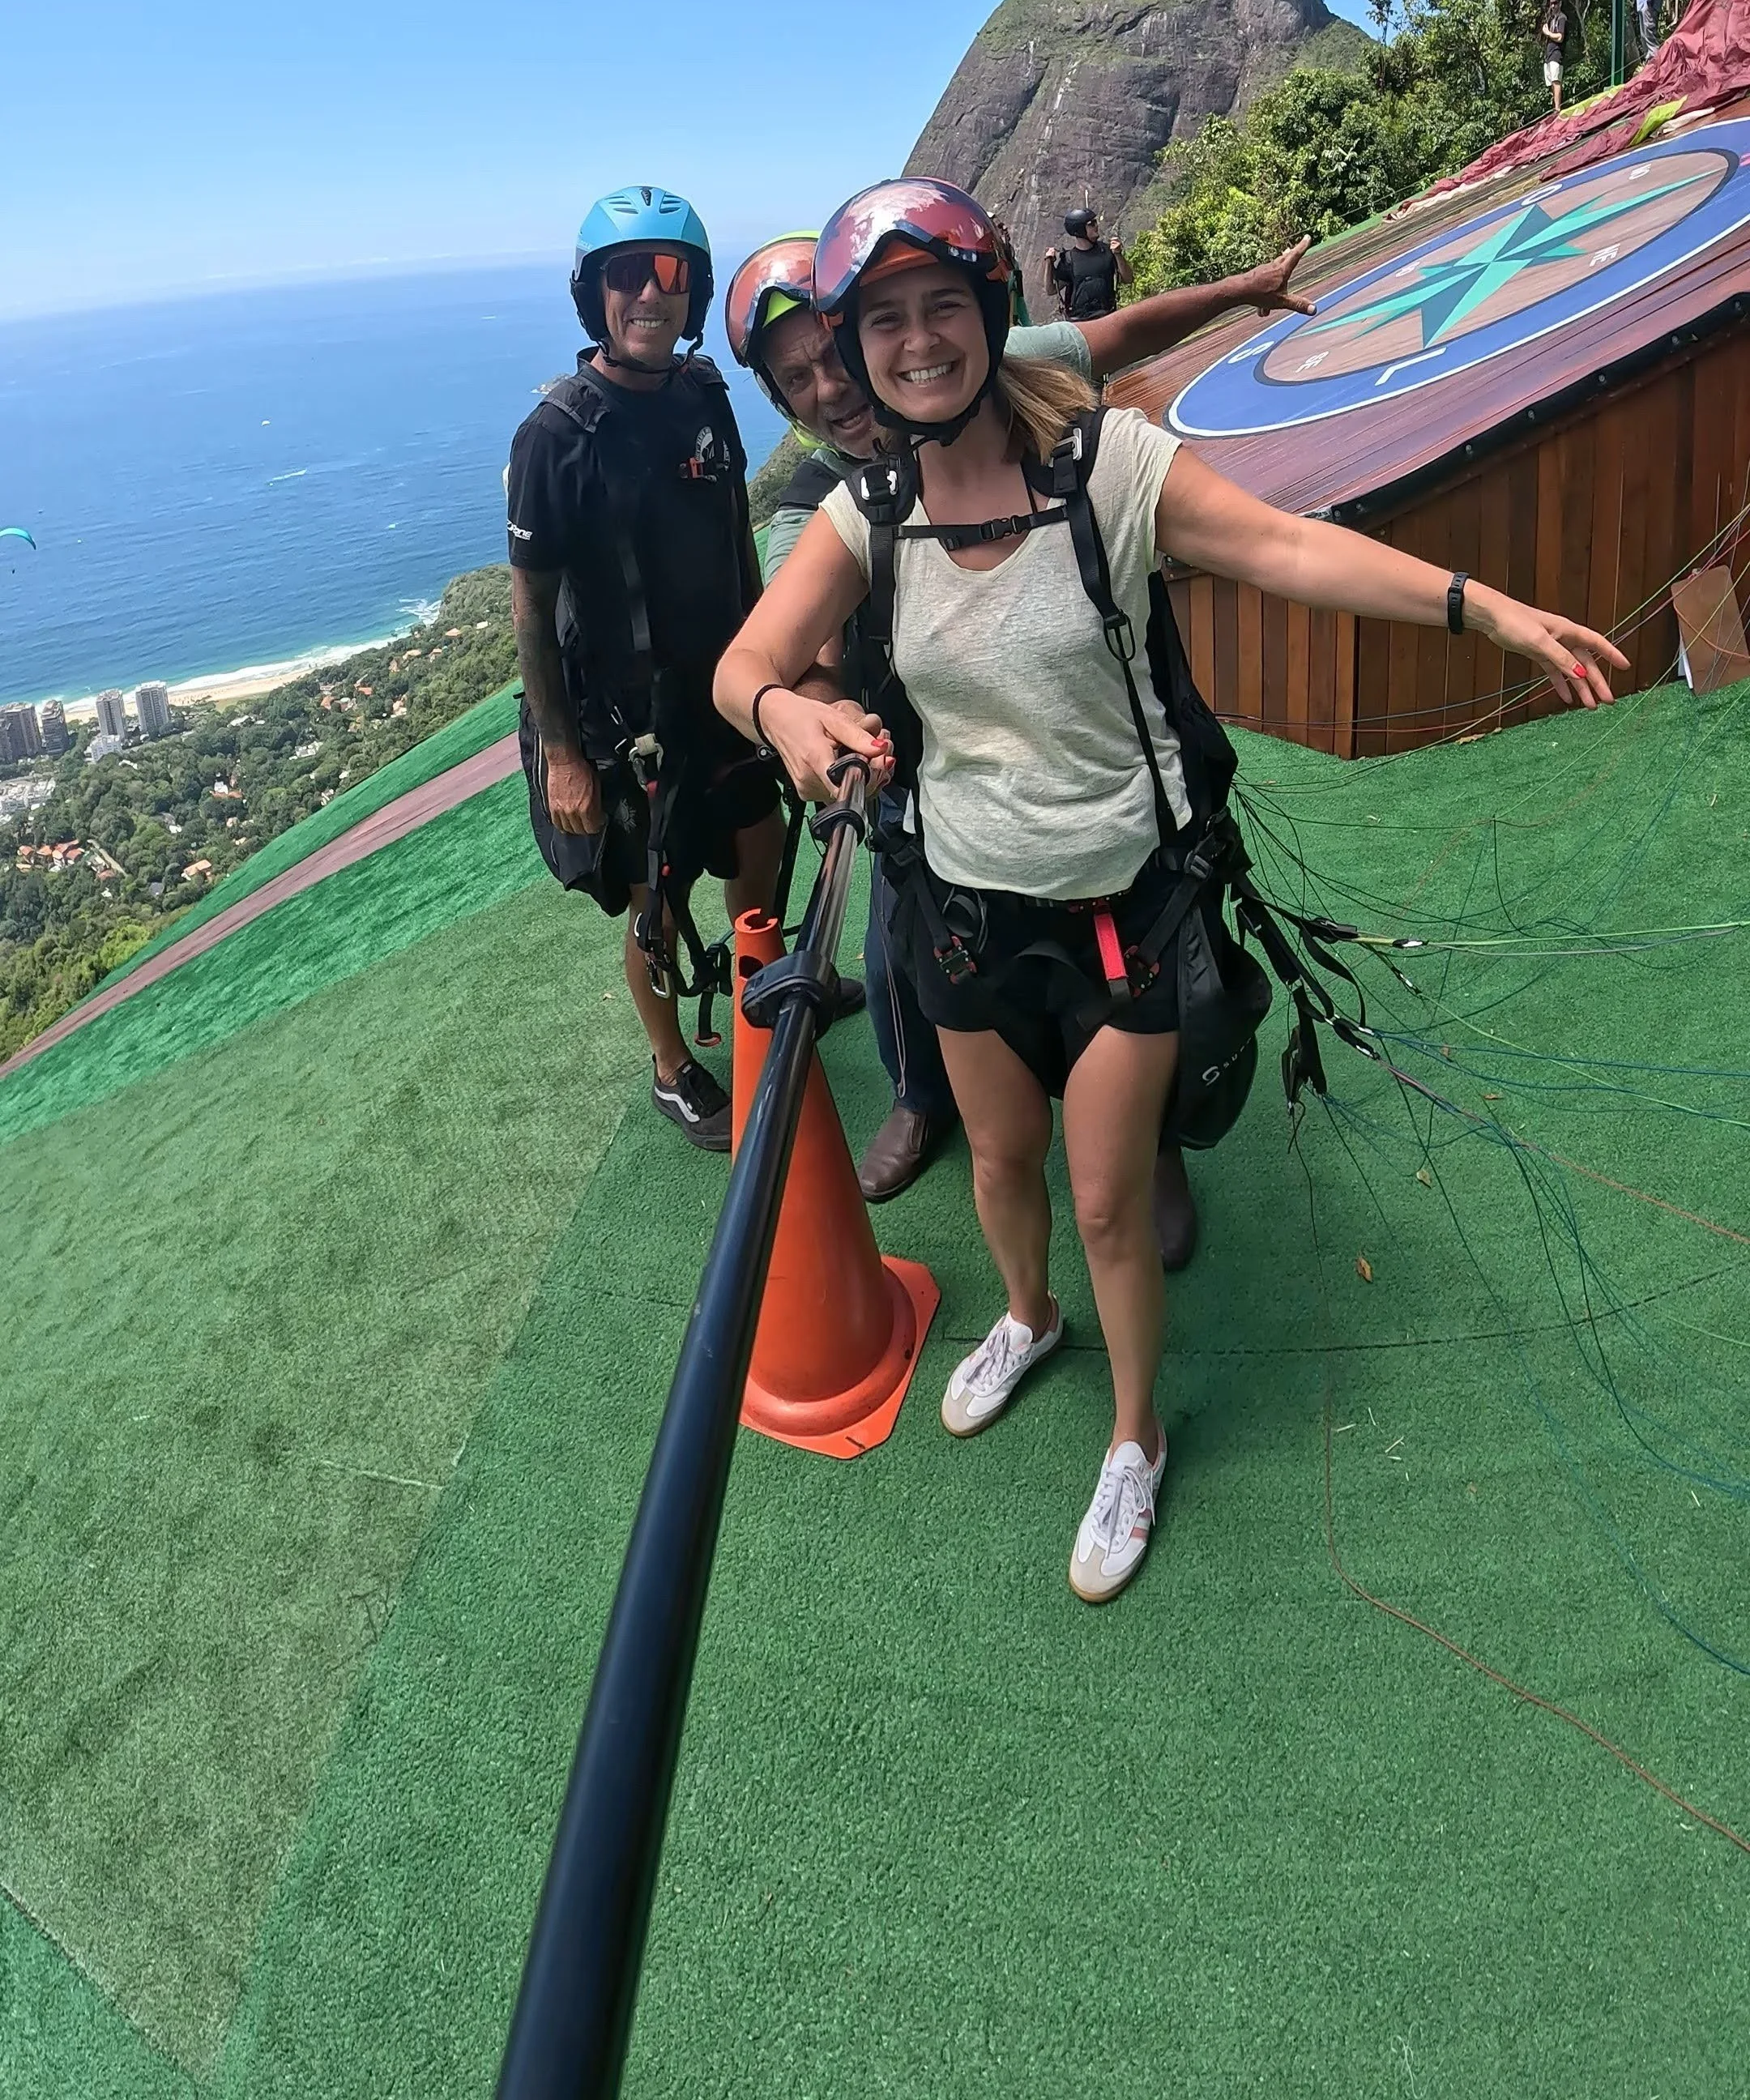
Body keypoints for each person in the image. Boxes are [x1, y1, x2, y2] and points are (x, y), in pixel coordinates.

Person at [715, 179, 1626, 1603]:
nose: (913, 345)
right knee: (1001, 1165)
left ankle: (1136, 1436)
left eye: (939, 308)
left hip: (1118, 903)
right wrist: (788, 719)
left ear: (990, 311)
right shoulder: (862, 513)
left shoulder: (1109, 471)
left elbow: (1285, 546)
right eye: (880, 322)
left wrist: (1481, 605)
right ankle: (1024, 1322)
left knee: (1105, 1199)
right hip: (959, 900)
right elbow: (741, 667)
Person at [726, 224, 1317, 1236]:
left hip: (1089, 722)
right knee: (905, 949)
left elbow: (1116, 335)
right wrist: (811, 711)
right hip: (935, 767)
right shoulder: (816, 509)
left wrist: (1240, 293)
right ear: (787, 407)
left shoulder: (990, 373)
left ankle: (1151, 1142)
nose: (834, 384)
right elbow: (801, 645)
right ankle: (924, 1101)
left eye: (831, 355)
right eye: (802, 378)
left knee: (1152, 942)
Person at [507, 186, 788, 1152]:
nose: (649, 296)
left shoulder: (704, 393)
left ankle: (765, 999)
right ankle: (672, 1067)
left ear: (693, 291)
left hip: (725, 689)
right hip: (629, 722)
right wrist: (563, 756)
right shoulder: (556, 433)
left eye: (669, 275)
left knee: (762, 848)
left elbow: (737, 536)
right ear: (596, 297)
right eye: (627, 276)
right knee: (653, 902)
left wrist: (772, 664)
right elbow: (532, 611)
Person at [1045, 207, 1129, 321]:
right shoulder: (1069, 260)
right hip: (1080, 321)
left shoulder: (1107, 251)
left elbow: (1128, 279)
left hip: (1107, 316)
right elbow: (1051, 290)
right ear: (1079, 229)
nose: (1096, 226)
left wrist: (1118, 255)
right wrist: (1048, 263)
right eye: (1091, 223)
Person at [1539, 0, 1567, 113]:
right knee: (1551, 82)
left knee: (1556, 81)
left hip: (1557, 53)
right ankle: (1554, 107)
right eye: (1551, 4)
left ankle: (1557, 108)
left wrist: (1548, 33)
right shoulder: (1551, 19)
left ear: (1560, 4)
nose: (1553, 6)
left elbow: (1560, 37)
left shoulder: (1562, 18)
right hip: (1549, 54)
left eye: (1555, 3)